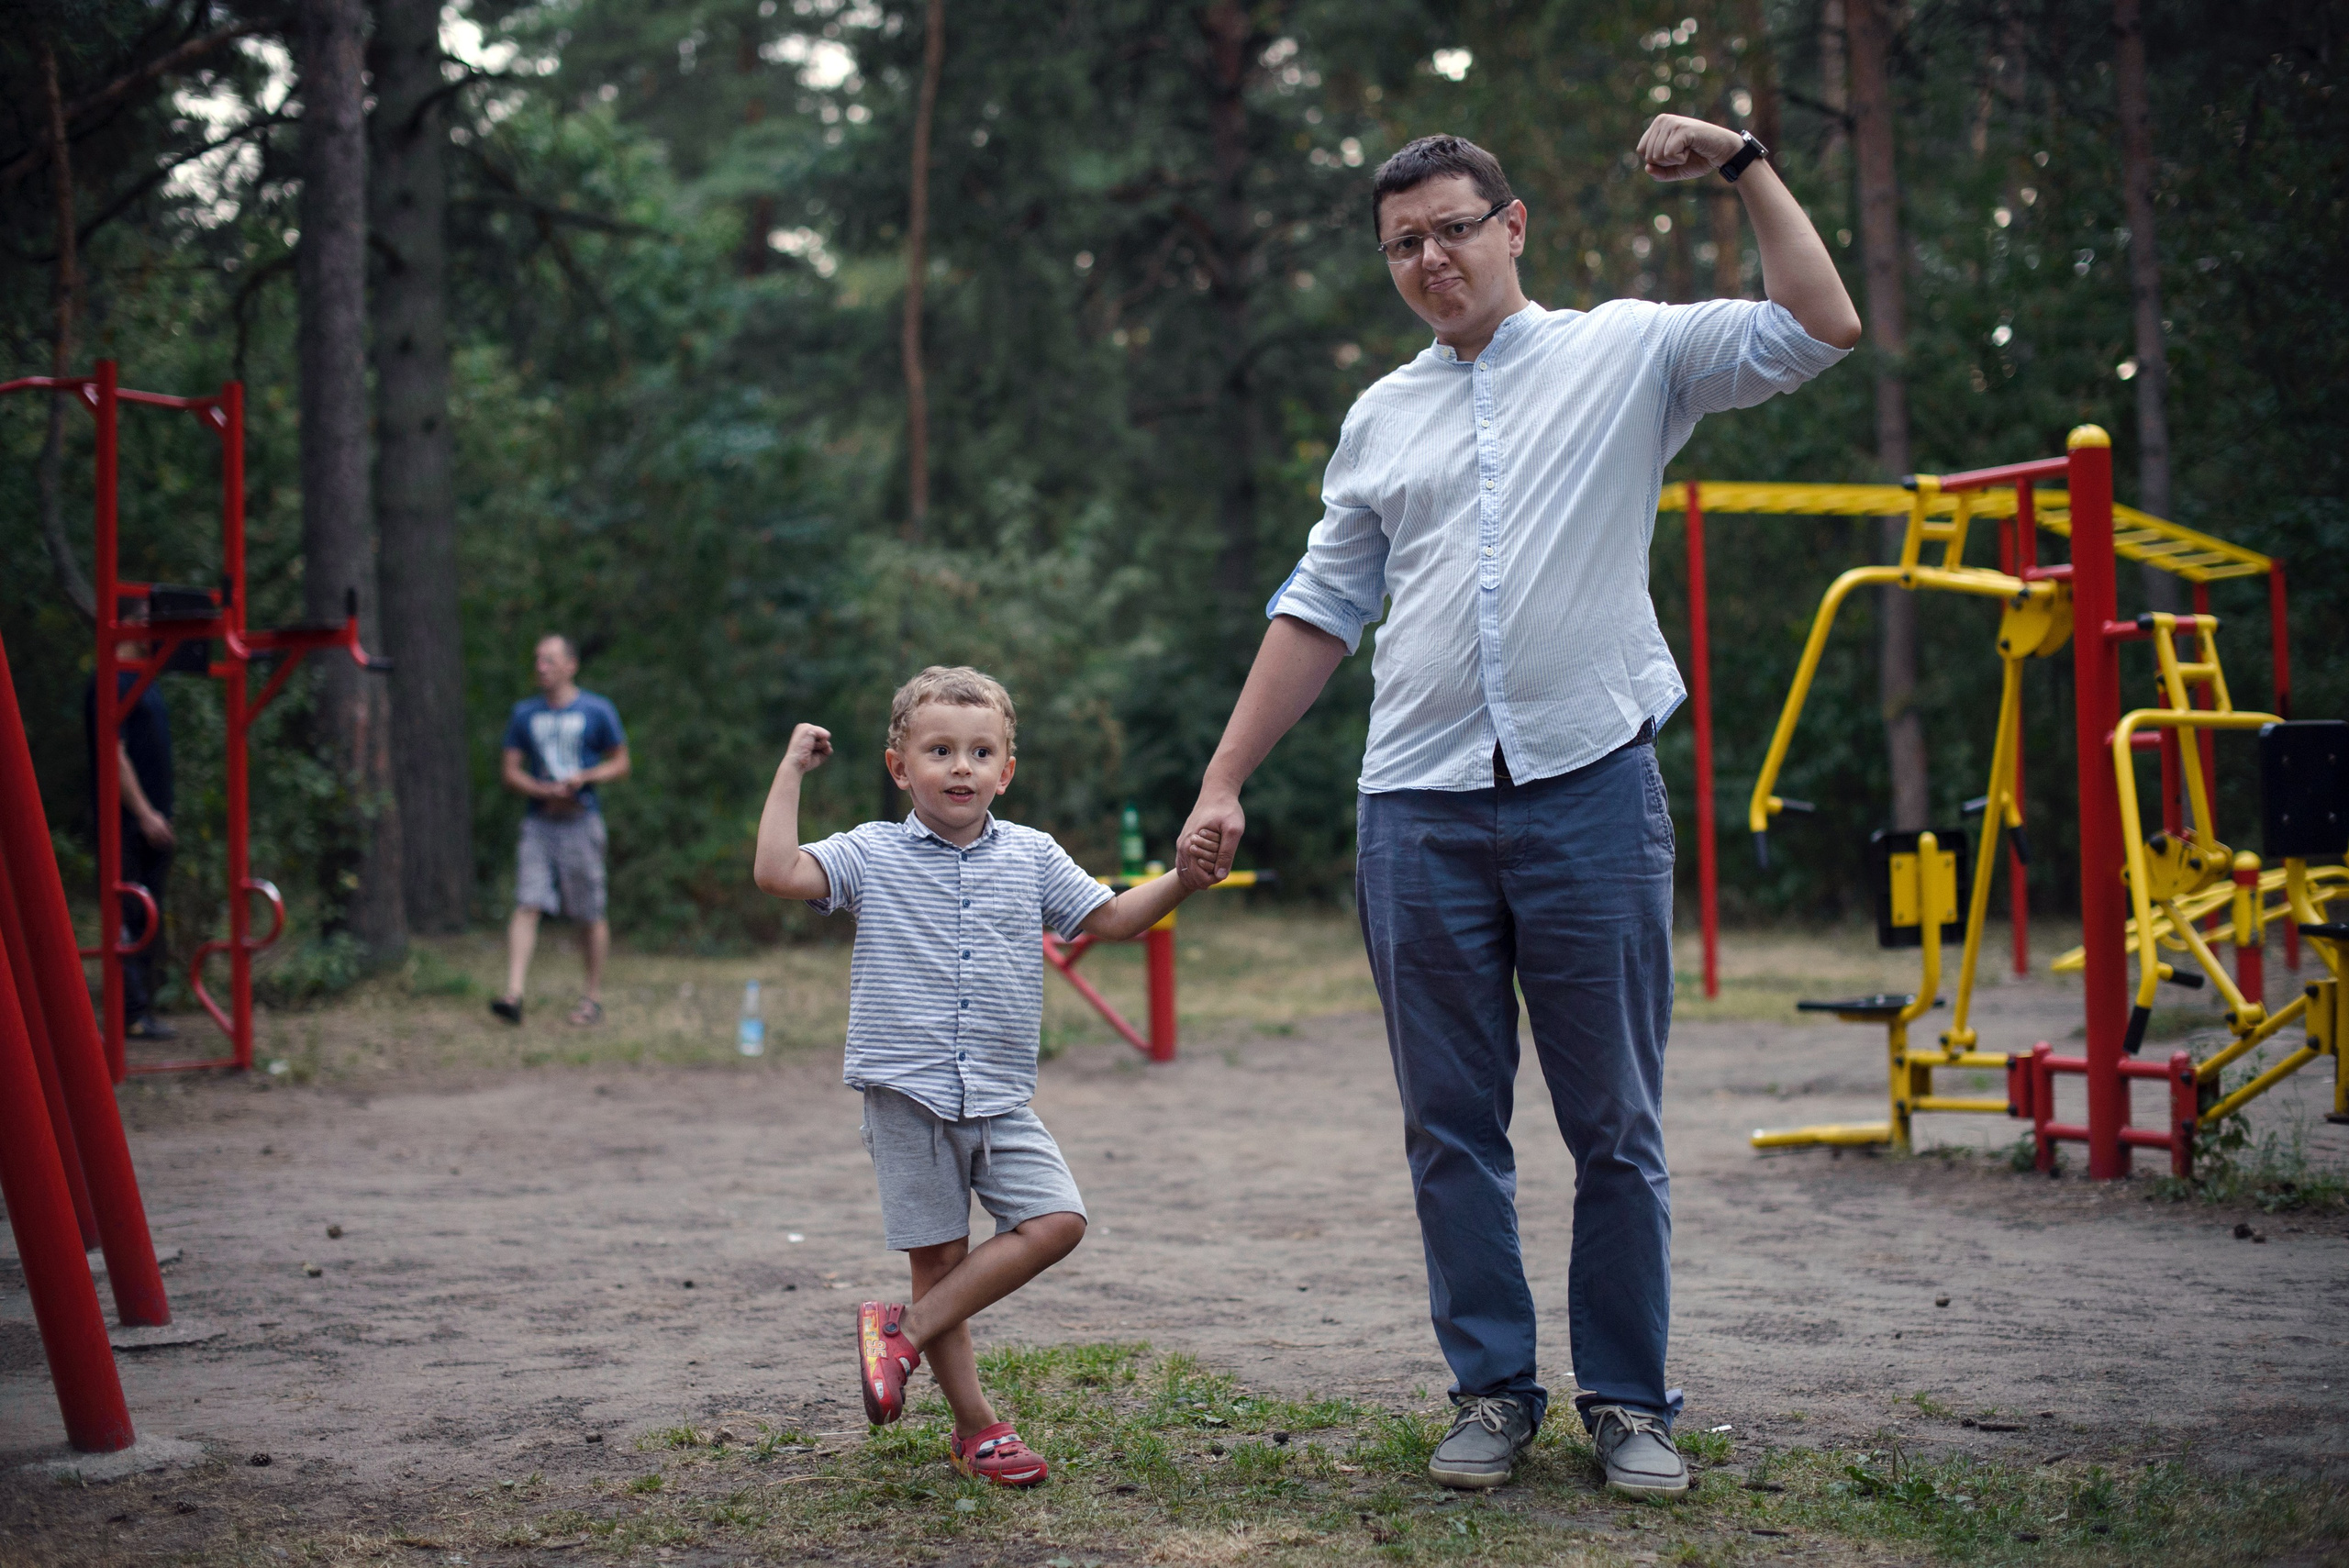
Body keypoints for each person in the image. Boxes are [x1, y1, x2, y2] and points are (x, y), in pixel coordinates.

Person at [1175, 118, 1861, 1497]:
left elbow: (1822, 321)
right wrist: (1224, 775)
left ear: (1514, 225)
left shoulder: (1629, 352)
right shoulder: (1383, 414)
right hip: (1414, 809)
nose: (1433, 258)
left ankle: (1627, 1401)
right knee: (1449, 1124)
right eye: (1404, 243)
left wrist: (1743, 165)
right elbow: (1320, 610)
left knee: (1614, 1122)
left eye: (1453, 228)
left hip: (1590, 791)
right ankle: (1492, 1390)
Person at [752, 666, 1217, 1487]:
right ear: (901, 767)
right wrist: (791, 769)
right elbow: (779, 872)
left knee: (1058, 1219)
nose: (959, 767)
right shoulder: (871, 851)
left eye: (979, 752)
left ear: (1006, 770)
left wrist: (1183, 877)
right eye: (939, 750)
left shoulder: (1032, 854)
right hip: (907, 1091)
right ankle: (977, 1429)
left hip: (1001, 1094)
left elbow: (1106, 918)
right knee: (938, 1262)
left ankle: (902, 1330)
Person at [491, 635, 630, 1028]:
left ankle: (592, 998)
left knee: (588, 912)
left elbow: (621, 763)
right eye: (537, 659)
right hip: (538, 822)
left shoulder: (597, 710)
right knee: (527, 902)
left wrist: (584, 777)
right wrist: (539, 788)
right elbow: (510, 771)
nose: (541, 666)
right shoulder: (524, 714)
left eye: (549, 660)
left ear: (571, 665)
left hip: (581, 823)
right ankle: (514, 994)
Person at [83, 617, 177, 1040]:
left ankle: (140, 1012)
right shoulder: (110, 681)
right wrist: (143, 812)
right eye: (145, 618)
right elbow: (114, 754)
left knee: (145, 919)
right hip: (125, 823)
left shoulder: (145, 679)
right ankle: (130, 1014)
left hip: (151, 824)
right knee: (126, 914)